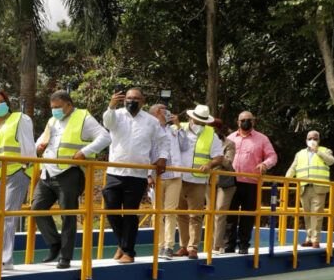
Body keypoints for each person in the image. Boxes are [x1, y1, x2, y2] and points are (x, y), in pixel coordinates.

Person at [75, 88, 166, 264]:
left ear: (143, 101)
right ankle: (123, 244)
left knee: (130, 213)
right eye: (129, 98)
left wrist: (162, 158)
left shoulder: (151, 121)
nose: (132, 101)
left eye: (136, 99)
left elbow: (162, 141)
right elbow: (107, 123)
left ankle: (128, 252)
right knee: (111, 209)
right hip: (115, 172)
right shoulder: (116, 115)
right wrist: (111, 105)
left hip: (137, 174)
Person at [36, 91, 110, 268]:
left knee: (68, 215)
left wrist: (85, 152)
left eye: (58, 107)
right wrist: (38, 147)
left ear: (68, 104)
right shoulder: (52, 121)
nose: (55, 111)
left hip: (69, 172)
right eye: (52, 108)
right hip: (47, 172)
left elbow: (105, 137)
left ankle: (65, 256)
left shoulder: (83, 117)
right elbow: (40, 141)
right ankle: (55, 243)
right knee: (36, 208)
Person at [0, 89, 36, 271]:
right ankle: (7, 259)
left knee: (7, 217)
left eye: (1, 101)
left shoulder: (20, 119)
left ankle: (2, 259)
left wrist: (24, 167)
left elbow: (28, 145)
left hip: (16, 172)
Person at [173, 104, 224, 258]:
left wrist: (209, 164)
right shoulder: (178, 127)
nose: (200, 123)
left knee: (195, 214)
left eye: (203, 121)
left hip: (198, 180)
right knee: (180, 213)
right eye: (198, 120)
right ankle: (183, 246)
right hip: (178, 177)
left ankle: (193, 247)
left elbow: (219, 157)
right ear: (191, 117)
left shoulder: (211, 134)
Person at [224, 111, 277, 254]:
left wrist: (265, 164)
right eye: (243, 120)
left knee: (248, 216)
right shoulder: (230, 138)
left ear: (253, 122)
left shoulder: (262, 139)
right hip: (231, 182)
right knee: (230, 216)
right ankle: (228, 245)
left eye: (249, 120)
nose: (245, 122)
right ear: (238, 122)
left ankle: (243, 246)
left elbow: (272, 156)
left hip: (251, 183)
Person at [284, 129, 334, 248]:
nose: (312, 140)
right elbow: (293, 168)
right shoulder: (300, 153)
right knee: (307, 214)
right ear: (306, 140)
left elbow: (331, 161)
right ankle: (309, 238)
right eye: (310, 138)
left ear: (319, 140)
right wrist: (286, 179)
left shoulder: (325, 150)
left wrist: (317, 151)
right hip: (304, 187)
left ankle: (315, 239)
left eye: (315, 138)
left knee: (316, 214)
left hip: (319, 187)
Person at [148, 103, 181, 259]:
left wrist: (178, 126)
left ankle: (168, 246)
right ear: (157, 112)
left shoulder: (173, 130)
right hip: (157, 176)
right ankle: (159, 245)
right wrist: (148, 175)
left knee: (170, 211)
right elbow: (146, 153)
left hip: (175, 175)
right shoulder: (149, 130)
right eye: (164, 110)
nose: (167, 112)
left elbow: (185, 146)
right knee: (157, 212)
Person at [211, 125, 236, 254]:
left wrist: (218, 158)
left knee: (220, 212)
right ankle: (205, 244)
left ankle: (217, 245)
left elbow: (228, 162)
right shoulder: (205, 140)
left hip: (225, 182)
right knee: (209, 212)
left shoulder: (229, 144)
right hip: (207, 180)